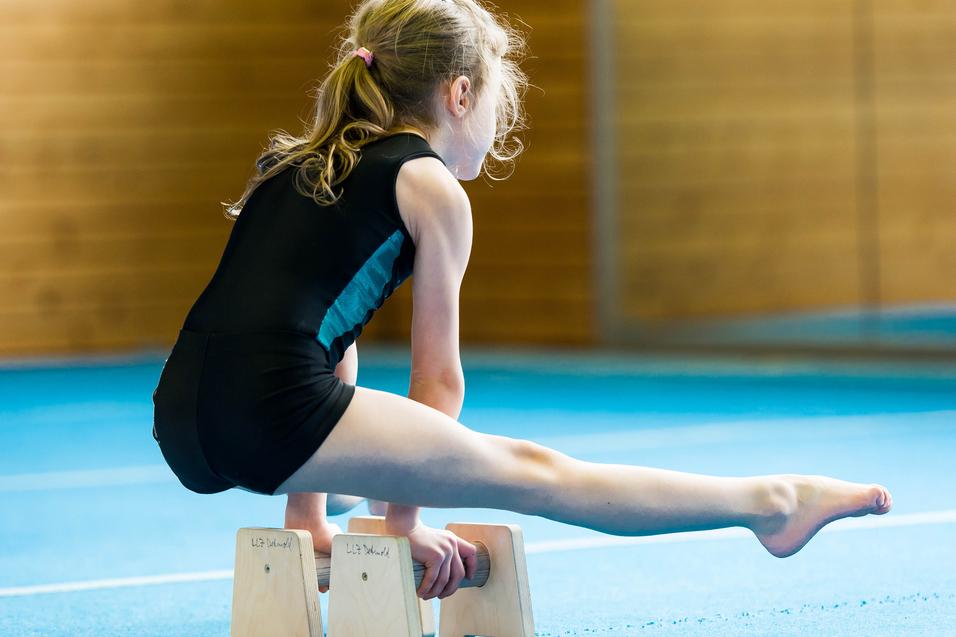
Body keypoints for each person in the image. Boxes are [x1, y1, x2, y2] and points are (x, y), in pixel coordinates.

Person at [152, 0, 893, 603]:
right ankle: (772, 503)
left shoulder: (300, 164)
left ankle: (322, 512)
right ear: (460, 94)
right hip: (267, 416)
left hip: (183, 418)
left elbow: (321, 331)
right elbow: (437, 379)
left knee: (339, 437)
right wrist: (403, 524)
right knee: (536, 472)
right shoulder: (428, 185)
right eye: (496, 101)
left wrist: (310, 520)